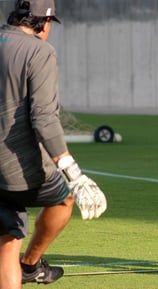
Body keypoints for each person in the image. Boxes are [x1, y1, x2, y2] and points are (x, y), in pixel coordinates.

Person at [0, 1, 107, 288]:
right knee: (60, 201)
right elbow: (44, 118)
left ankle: (30, 266)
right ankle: (29, 264)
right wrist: (73, 172)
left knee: (6, 241)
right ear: (43, 23)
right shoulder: (39, 50)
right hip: (16, 169)